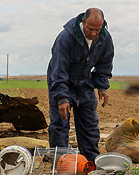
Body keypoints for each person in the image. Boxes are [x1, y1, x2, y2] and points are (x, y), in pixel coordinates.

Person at [46, 8, 114, 163]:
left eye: (98, 29)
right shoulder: (66, 38)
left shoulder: (104, 37)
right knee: (60, 125)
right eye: (90, 29)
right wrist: (62, 98)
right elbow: (58, 70)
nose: (94, 33)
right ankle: (60, 165)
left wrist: (102, 87)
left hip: (84, 83)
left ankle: (90, 165)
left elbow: (105, 64)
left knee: (89, 126)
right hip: (62, 83)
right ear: (83, 22)